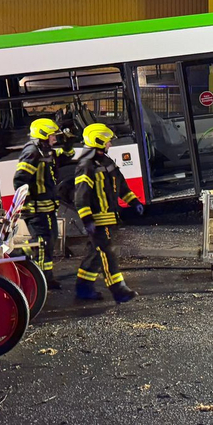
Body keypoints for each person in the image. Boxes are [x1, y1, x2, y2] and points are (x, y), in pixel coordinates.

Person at [66, 123, 143, 303]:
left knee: (95, 254)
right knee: (107, 253)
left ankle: (83, 288)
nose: (110, 144)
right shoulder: (86, 165)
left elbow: (121, 186)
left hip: (110, 217)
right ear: (97, 140)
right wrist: (87, 220)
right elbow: (81, 197)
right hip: (98, 220)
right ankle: (119, 290)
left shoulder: (106, 162)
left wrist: (134, 202)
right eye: (107, 141)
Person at [13, 117, 70, 289]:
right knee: (43, 242)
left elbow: (64, 159)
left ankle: (23, 257)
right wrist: (28, 203)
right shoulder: (32, 152)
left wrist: (68, 144)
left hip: (47, 207)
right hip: (36, 209)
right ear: (43, 135)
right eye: (52, 135)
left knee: (49, 240)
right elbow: (20, 179)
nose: (55, 139)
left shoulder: (45, 151)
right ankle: (42, 279)